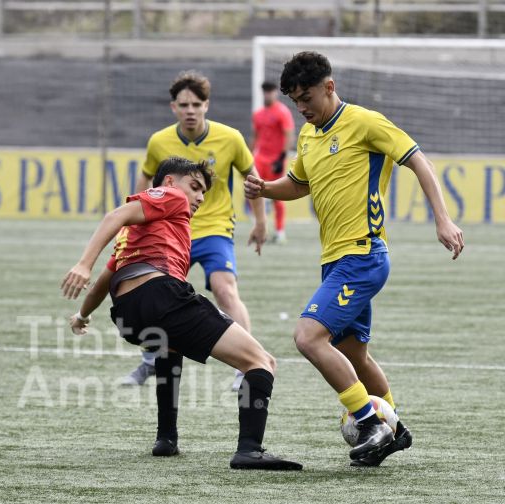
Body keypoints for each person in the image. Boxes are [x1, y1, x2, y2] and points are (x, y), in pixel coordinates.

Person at [244, 51, 464, 466]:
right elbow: (297, 184)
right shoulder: (309, 136)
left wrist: (443, 219)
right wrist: (264, 189)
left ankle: (369, 422)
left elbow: (419, 161)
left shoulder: (366, 122)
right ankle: (394, 429)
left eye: (307, 97)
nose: (302, 108)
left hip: (362, 254)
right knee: (354, 354)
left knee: (308, 337)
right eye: (295, 101)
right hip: (335, 259)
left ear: (329, 86)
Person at [62, 156, 301, 470]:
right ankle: (250, 450)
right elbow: (116, 214)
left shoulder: (133, 236)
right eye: (195, 187)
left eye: (204, 191)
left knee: (169, 344)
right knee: (262, 362)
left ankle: (166, 438)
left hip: (128, 315)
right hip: (161, 295)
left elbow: (105, 282)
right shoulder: (170, 196)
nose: (200, 197)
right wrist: (83, 263)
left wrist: (81, 315)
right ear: (171, 182)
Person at [120, 70, 267, 394]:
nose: (190, 110)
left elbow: (252, 178)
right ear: (173, 107)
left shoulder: (230, 138)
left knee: (224, 289)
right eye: (183, 104)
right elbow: (146, 180)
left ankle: (248, 365)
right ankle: (149, 360)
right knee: (156, 298)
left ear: (206, 106)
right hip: (169, 233)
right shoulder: (159, 141)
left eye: (196, 104)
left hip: (214, 228)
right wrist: (136, 221)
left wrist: (259, 222)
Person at [251, 80, 295, 244]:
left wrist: (282, 157)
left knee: (278, 195)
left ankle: (280, 231)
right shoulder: (258, 114)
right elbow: (255, 137)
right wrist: (248, 156)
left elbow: (289, 135)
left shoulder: (282, 112)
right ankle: (259, 227)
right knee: (255, 192)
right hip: (260, 159)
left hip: (275, 160)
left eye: (270, 91)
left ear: (276, 92)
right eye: (265, 91)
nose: (267, 94)